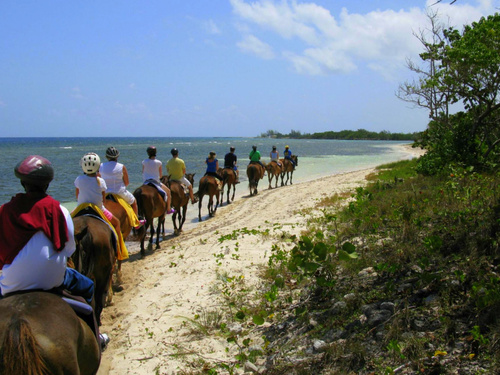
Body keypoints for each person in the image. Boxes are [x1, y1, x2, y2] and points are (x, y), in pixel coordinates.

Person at [0, 155, 109, 349]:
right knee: (88, 286)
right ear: (48, 184)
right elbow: (69, 250)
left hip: (11, 283)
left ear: (23, 183)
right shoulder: (59, 210)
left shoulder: (4, 211)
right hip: (52, 280)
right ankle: (96, 336)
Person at [75, 152, 123, 236]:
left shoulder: (79, 179)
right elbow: (103, 200)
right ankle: (118, 248)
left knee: (66, 221)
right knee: (117, 223)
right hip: (99, 209)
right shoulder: (101, 181)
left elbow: (77, 196)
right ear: (98, 166)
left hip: (80, 208)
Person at [99, 146, 145, 227]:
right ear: (117, 156)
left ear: (106, 157)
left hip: (104, 193)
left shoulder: (101, 166)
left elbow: (99, 181)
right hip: (119, 192)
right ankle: (136, 221)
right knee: (134, 202)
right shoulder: (121, 166)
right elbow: (127, 182)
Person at [141, 146, 174, 214]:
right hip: (155, 182)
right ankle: (168, 209)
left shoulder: (144, 162)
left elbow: (143, 172)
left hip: (146, 182)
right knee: (168, 192)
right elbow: (160, 175)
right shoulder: (159, 162)